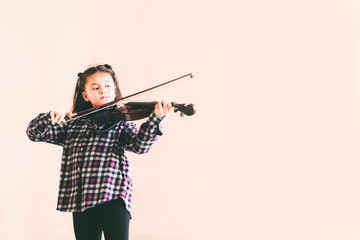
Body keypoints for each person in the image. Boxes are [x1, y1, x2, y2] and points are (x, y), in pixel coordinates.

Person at [26, 64, 172, 240]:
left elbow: (140, 146)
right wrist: (48, 118)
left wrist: (155, 119)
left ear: (115, 90)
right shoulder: (73, 125)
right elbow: (33, 133)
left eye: (108, 86)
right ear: (85, 95)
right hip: (81, 199)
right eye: (96, 87)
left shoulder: (121, 121)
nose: (103, 90)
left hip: (113, 195)